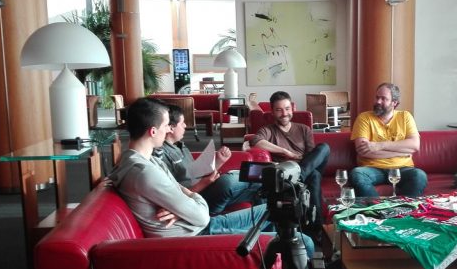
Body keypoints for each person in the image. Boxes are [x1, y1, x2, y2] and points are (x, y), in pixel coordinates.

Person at [109, 97, 315, 256]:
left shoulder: (141, 161)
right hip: (196, 235)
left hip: (194, 226)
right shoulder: (144, 172)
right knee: (304, 242)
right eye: (165, 126)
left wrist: (182, 202)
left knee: (275, 208)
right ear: (153, 131)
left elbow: (182, 191)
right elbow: (201, 215)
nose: (167, 131)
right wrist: (188, 199)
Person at [153, 104, 262, 215]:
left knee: (260, 186)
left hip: (207, 190)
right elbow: (176, 195)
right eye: (182, 123)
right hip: (197, 199)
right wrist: (205, 182)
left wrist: (219, 161)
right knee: (229, 180)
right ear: (170, 127)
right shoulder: (160, 154)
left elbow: (195, 174)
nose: (185, 126)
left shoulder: (180, 146)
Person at [250, 91, 330, 226]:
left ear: (292, 109)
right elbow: (256, 141)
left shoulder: (304, 129)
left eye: (287, 109)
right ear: (272, 112)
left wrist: (302, 169)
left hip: (305, 167)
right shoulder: (268, 130)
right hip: (287, 174)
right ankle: (317, 228)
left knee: (324, 147)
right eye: (279, 110)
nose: (284, 113)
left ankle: (300, 176)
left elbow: (312, 156)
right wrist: (285, 152)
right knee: (315, 175)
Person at [349, 83, 427, 197]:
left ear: (394, 102)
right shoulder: (364, 118)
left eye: (383, 99)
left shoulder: (405, 117)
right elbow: (363, 151)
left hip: (402, 168)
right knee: (356, 174)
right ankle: (378, 206)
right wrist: (402, 152)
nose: (378, 101)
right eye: (377, 97)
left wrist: (379, 145)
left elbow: (414, 145)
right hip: (372, 169)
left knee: (419, 176)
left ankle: (403, 206)